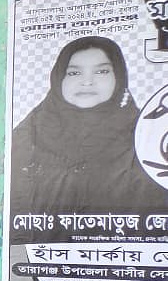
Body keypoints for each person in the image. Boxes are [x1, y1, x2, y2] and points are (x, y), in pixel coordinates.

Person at [9, 35, 166, 245]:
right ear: (59, 79)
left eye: (101, 71)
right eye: (74, 72)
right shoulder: (27, 137)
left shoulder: (148, 141)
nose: (87, 81)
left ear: (119, 77)